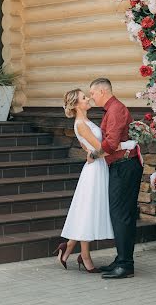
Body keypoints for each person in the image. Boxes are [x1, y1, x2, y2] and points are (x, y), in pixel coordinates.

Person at [54, 88, 136, 273]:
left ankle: (67, 249)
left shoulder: (87, 120)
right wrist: (126, 145)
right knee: (88, 211)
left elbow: (96, 150)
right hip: (93, 171)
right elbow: (101, 147)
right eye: (84, 97)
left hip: (99, 167)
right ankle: (84, 256)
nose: (88, 98)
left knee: (88, 211)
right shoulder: (81, 123)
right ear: (76, 105)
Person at [88, 78, 143, 279]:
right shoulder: (112, 109)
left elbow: (111, 143)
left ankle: (126, 264)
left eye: (92, 93)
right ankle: (121, 259)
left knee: (122, 215)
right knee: (118, 214)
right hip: (120, 165)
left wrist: (93, 155)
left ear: (102, 91)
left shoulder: (115, 109)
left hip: (125, 166)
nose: (91, 97)